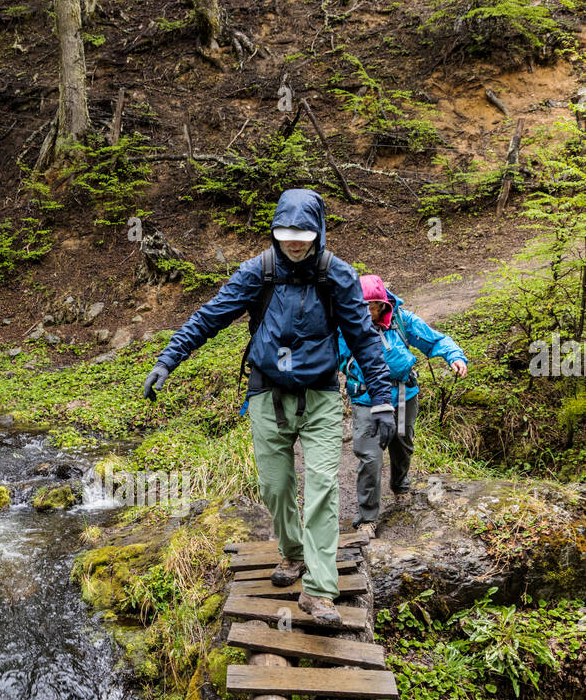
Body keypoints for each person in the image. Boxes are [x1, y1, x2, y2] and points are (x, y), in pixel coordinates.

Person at [142, 188, 395, 629]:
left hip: (319, 395)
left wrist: (382, 401)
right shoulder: (257, 272)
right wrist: (168, 359)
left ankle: (319, 591)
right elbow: (209, 316)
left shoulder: (337, 276)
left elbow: (365, 340)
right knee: (275, 487)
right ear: (276, 232)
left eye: (302, 234)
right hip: (266, 393)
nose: (294, 243)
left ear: (317, 232)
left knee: (322, 487)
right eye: (286, 234)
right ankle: (293, 553)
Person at [339, 273, 469, 537]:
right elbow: (330, 355)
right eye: (360, 306)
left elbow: (435, 340)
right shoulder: (347, 326)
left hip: (404, 393)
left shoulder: (401, 319)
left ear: (383, 304)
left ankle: (400, 486)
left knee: (403, 443)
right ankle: (367, 518)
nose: (366, 312)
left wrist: (454, 356)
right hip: (366, 398)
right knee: (370, 456)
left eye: (371, 307)